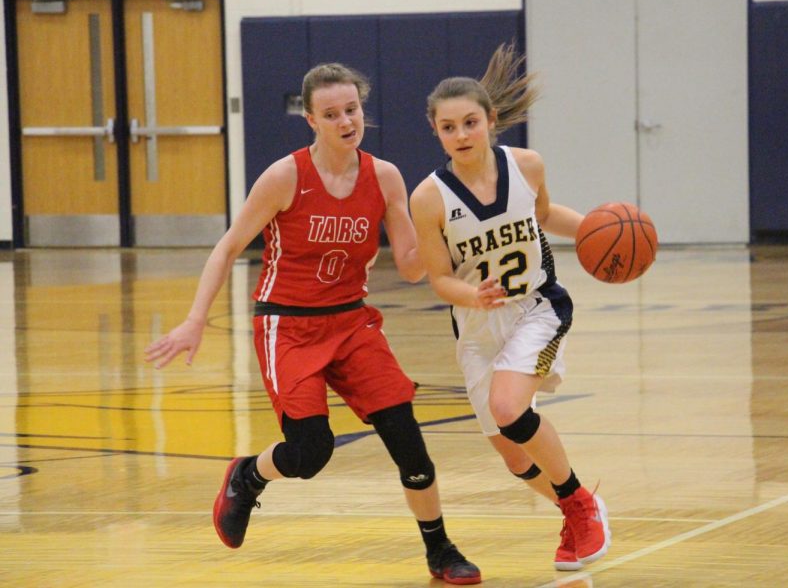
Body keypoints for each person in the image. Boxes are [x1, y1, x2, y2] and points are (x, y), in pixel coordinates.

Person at [144, 63, 481, 585]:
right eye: (332, 114)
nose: (346, 121)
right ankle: (247, 476)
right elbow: (229, 245)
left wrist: (454, 239)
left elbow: (413, 265)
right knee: (310, 453)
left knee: (408, 440)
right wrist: (194, 320)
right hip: (289, 324)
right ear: (311, 120)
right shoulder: (286, 177)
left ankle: (440, 550)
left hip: (351, 321)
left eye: (352, 110)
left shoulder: (385, 177)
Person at [409, 44, 612, 572]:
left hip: (537, 308)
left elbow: (545, 217)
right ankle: (574, 508)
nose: (461, 135)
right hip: (477, 325)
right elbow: (437, 279)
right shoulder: (428, 198)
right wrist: (472, 294)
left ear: (491, 120)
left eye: (470, 122)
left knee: (508, 409)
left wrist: (600, 230)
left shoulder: (526, 165)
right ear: (436, 132)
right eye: (448, 127)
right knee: (514, 455)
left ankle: (579, 504)